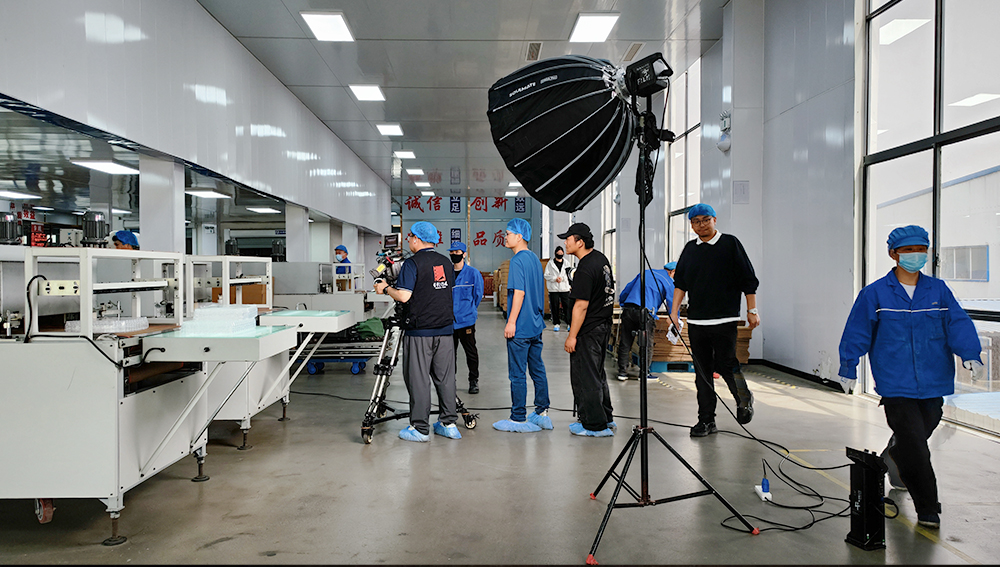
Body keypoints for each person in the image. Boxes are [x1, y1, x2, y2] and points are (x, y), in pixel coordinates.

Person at [838, 224, 982, 529]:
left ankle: (895, 453)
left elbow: (958, 322)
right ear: (894, 254)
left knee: (920, 429)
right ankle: (928, 507)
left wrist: (970, 353)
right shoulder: (875, 293)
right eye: (908, 250)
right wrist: (848, 367)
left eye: (920, 249)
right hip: (895, 382)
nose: (915, 255)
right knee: (915, 443)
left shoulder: (938, 290)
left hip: (934, 380)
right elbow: (857, 331)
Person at [670, 203, 759, 438]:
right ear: (691, 225)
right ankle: (706, 420)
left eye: (705, 220)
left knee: (727, 364)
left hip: (725, 318)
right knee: (702, 373)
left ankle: (743, 398)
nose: (701, 225)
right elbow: (680, 283)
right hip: (697, 321)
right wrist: (674, 312)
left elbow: (748, 279)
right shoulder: (690, 249)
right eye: (696, 221)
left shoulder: (730, 244)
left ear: (715, 220)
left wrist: (752, 309)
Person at [374, 221, 460, 442]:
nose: (409, 240)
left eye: (411, 236)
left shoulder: (412, 264)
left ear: (418, 239)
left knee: (418, 379)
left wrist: (385, 288)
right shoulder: (446, 262)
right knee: (445, 378)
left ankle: (420, 428)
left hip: (420, 330)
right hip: (445, 329)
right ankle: (449, 424)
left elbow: (404, 296)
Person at [494, 218, 551, 433]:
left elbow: (519, 293)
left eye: (508, 233)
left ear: (519, 236)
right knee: (537, 369)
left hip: (521, 327)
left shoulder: (517, 261)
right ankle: (542, 413)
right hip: (535, 324)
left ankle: (518, 417)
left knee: (517, 373)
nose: (505, 237)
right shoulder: (534, 259)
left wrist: (511, 322)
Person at [560, 222, 615, 438]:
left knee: (586, 377)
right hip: (603, 325)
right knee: (597, 373)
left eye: (568, 239)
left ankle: (594, 424)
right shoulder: (600, 259)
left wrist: (572, 336)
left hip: (589, 330)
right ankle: (606, 417)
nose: (565, 243)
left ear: (580, 242)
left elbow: (581, 306)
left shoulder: (584, 268)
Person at [616, 263, 675, 382]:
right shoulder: (668, 282)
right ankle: (644, 374)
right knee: (646, 344)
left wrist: (623, 303)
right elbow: (672, 303)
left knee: (625, 341)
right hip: (645, 313)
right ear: (672, 272)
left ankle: (622, 372)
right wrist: (675, 319)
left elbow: (627, 289)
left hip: (629, 309)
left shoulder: (646, 273)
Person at [448, 241, 484, 394]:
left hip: (466, 320)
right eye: (452, 252)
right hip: (449, 321)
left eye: (457, 252)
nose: (454, 255)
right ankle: (450, 382)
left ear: (464, 254)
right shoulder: (446, 273)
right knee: (449, 355)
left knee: (471, 352)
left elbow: (478, 295)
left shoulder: (473, 273)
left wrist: (469, 310)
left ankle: (473, 380)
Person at [544, 246, 573, 332]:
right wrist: (554, 278)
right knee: (554, 306)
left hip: (564, 288)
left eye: (561, 253)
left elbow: (570, 274)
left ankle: (569, 323)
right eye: (558, 253)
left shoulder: (567, 263)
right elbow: (546, 275)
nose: (560, 255)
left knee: (567, 306)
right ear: (555, 253)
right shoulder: (550, 264)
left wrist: (562, 278)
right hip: (554, 289)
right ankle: (556, 323)